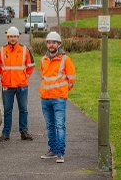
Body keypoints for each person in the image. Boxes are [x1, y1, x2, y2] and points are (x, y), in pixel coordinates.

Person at [0, 26, 35, 142]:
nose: (13, 38)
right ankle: (6, 133)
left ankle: (24, 131)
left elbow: (31, 66)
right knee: (7, 110)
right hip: (7, 85)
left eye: (15, 36)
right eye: (11, 36)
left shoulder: (25, 50)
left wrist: (25, 76)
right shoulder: (1, 50)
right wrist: (4, 75)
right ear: (7, 37)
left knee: (23, 109)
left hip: (22, 85)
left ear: (18, 37)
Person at [39, 31, 76, 163]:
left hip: (59, 98)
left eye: (54, 42)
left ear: (59, 44)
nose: (51, 45)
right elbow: (44, 77)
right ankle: (53, 150)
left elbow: (71, 79)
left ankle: (60, 153)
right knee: (50, 126)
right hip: (45, 98)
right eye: (49, 42)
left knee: (59, 125)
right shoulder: (43, 60)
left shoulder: (66, 60)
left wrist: (63, 90)